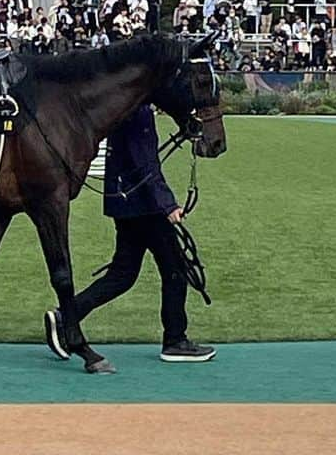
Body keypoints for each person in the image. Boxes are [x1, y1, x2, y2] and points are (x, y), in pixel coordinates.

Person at [43, 103, 215, 364]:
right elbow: (145, 164)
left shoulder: (124, 107)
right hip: (145, 205)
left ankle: (67, 314)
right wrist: (167, 205)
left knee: (122, 275)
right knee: (175, 270)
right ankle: (175, 341)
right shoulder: (140, 113)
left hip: (125, 202)